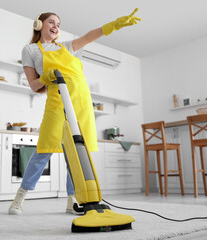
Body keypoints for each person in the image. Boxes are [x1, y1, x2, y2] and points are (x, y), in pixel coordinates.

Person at [8, 9, 141, 215]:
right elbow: (34, 85)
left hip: (81, 103)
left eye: (58, 24)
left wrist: (114, 25)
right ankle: (21, 196)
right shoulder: (31, 50)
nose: (56, 26)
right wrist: (45, 77)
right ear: (39, 24)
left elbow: (89, 36)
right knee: (43, 151)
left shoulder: (67, 46)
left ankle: (73, 200)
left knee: (77, 155)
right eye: (51, 22)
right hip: (57, 103)